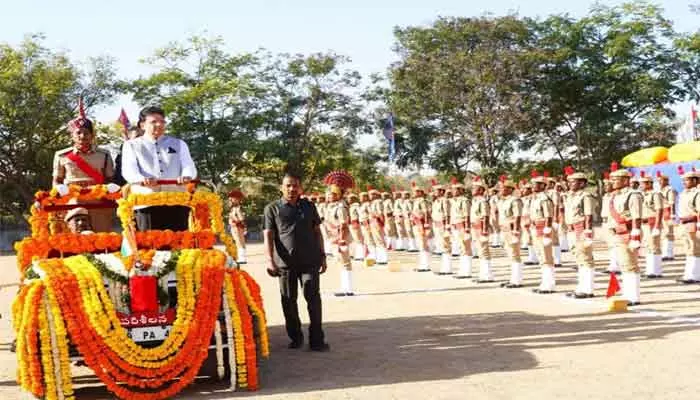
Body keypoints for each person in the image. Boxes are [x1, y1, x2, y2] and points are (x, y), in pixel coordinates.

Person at [263, 171, 329, 351]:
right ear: (281, 188)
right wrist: (270, 260)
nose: (292, 189)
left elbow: (317, 232)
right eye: (288, 185)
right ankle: (296, 336)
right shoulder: (272, 208)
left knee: (313, 298)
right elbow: (268, 235)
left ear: (300, 188)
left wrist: (323, 255)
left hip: (310, 261)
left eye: (295, 185)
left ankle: (317, 339)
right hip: (285, 264)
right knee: (289, 301)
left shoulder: (308, 206)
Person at [121, 106, 197, 231]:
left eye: (162, 121)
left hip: (176, 201)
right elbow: (129, 171)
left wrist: (187, 175)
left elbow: (189, 165)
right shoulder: (131, 145)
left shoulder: (179, 143)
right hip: (146, 202)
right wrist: (142, 179)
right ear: (142, 125)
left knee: (180, 245)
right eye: (153, 122)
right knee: (149, 247)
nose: (159, 124)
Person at [53, 100, 116, 232]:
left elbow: (110, 179)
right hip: (73, 200)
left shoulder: (104, 154)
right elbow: (57, 180)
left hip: (98, 200)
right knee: (76, 238)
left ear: (92, 135)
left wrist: (110, 190)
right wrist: (59, 190)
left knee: (102, 237)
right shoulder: (62, 155)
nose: (82, 136)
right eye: (78, 133)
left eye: (86, 133)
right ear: (72, 136)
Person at [607, 162, 644, 305]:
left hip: (628, 233)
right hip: (618, 233)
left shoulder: (633, 195)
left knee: (630, 264)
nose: (613, 182)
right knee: (623, 264)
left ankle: (633, 296)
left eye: (616, 179)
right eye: (612, 179)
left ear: (625, 180)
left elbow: (636, 217)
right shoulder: (615, 196)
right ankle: (627, 293)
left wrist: (635, 236)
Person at [563, 168, 596, 298]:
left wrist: (588, 232)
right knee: (579, 259)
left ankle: (588, 289)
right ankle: (581, 287)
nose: (570, 184)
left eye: (573, 182)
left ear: (582, 183)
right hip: (571, 229)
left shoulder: (586, 196)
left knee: (585, 259)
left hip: (581, 228)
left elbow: (588, 215)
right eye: (569, 182)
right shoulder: (569, 196)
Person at [322, 170, 355, 296]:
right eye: (329, 194)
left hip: (341, 237)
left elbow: (343, 224)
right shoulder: (332, 206)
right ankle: (345, 287)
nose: (329, 196)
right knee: (341, 262)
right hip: (334, 237)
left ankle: (348, 289)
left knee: (345, 263)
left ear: (338, 195)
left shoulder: (341, 207)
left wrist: (341, 239)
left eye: (332, 194)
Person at [530, 171, 556, 294]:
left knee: (546, 257)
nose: (533, 186)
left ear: (543, 186)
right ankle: (544, 282)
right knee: (541, 256)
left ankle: (549, 284)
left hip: (543, 229)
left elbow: (548, 216)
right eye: (533, 183)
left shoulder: (545, 199)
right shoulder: (535, 198)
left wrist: (547, 232)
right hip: (535, 228)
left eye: (537, 184)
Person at [498, 178, 524, 288]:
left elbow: (517, 216)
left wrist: (516, 231)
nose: (501, 189)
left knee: (515, 254)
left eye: (503, 188)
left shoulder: (515, 200)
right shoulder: (502, 201)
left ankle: (517, 280)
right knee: (510, 254)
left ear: (510, 189)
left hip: (512, 230)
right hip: (504, 229)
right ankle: (513, 278)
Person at [677, 166, 700, 284]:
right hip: (684, 224)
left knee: (695, 249)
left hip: (693, 223)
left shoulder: (697, 193)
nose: (684, 182)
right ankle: (688, 274)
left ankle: (694, 276)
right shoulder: (683, 193)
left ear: (695, 181)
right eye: (683, 180)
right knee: (688, 249)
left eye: (687, 180)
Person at [640, 172, 664, 278]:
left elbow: (659, 209)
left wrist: (657, 226)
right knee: (648, 246)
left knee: (654, 246)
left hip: (652, 222)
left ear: (649, 184)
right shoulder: (642, 195)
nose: (641, 185)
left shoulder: (656, 194)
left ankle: (655, 271)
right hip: (644, 223)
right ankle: (650, 270)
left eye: (644, 183)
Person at [470, 177, 492, 282]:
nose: (472, 189)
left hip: (480, 229)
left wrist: (484, 231)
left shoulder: (483, 201)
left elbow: (485, 217)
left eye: (474, 188)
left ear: (480, 190)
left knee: (484, 251)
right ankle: (483, 275)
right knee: (480, 252)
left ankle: (487, 275)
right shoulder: (475, 201)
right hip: (475, 228)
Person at [451, 178, 473, 278]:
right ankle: (463, 270)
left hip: (464, 227)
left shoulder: (464, 201)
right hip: (457, 227)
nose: (453, 191)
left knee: (466, 248)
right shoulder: (455, 201)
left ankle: (467, 271)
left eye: (455, 189)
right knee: (461, 248)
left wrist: (467, 228)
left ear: (460, 190)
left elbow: (467, 215)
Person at [431, 181, 452, 275]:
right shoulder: (435, 201)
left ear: (441, 192)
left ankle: (447, 268)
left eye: (436, 191)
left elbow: (447, 214)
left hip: (443, 225)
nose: (434, 192)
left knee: (446, 245)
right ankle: (444, 267)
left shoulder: (445, 201)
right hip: (436, 224)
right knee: (441, 245)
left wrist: (447, 225)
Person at [411, 183, 432, 272]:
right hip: (417, 224)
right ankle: (422, 264)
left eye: (415, 192)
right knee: (420, 245)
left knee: (423, 245)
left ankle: (425, 265)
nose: (413, 193)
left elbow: (426, 212)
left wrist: (426, 223)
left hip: (422, 224)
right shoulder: (416, 201)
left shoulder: (422, 201)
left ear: (420, 192)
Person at [657, 172, 677, 261]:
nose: (659, 182)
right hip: (660, 212)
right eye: (658, 181)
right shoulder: (660, 189)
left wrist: (672, 214)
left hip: (667, 211)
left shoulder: (670, 189)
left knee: (668, 233)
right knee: (663, 234)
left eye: (661, 181)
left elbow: (672, 202)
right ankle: (665, 252)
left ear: (666, 181)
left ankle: (669, 253)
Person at [369, 187, 389, 265]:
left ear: (375, 195)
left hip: (377, 222)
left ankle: (383, 258)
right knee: (377, 240)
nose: (369, 196)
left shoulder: (378, 202)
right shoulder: (373, 202)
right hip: (373, 222)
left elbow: (380, 214)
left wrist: (382, 223)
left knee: (380, 240)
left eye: (371, 194)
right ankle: (379, 257)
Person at [228, 189, 248, 264]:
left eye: (232, 198)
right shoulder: (234, 208)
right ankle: (241, 257)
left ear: (237, 199)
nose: (230, 199)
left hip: (236, 226)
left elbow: (241, 218)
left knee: (239, 241)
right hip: (235, 226)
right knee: (239, 241)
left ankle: (242, 257)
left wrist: (235, 218)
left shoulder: (237, 208)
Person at [347, 193, 365, 261]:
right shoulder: (351, 206)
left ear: (353, 199)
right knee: (355, 239)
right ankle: (357, 254)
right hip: (352, 223)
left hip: (356, 222)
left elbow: (360, 214)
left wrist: (360, 222)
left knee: (359, 239)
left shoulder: (356, 205)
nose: (348, 200)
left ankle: (361, 255)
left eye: (349, 198)